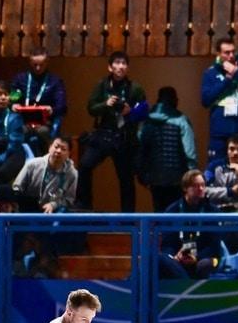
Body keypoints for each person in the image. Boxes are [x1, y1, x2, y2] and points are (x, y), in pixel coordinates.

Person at [79, 51, 148, 211]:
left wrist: (130, 112)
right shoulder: (102, 85)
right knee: (85, 165)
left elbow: (144, 112)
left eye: (124, 63)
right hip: (104, 134)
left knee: (126, 178)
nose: (121, 67)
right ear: (110, 67)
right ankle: (84, 204)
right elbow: (91, 108)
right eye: (117, 63)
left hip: (124, 137)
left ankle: (128, 216)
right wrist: (106, 104)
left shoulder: (135, 88)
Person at [138, 87, 199, 213]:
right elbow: (189, 152)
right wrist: (192, 174)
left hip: (154, 177)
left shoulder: (146, 121)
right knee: (175, 214)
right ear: (175, 100)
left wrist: (142, 174)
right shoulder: (181, 120)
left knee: (158, 212)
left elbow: (141, 149)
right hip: (178, 177)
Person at [201, 38, 238, 162]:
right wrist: (227, 80)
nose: (231, 56)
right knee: (217, 169)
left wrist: (237, 74)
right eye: (226, 53)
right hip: (220, 132)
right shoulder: (210, 73)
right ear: (218, 54)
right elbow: (205, 100)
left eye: (233, 52)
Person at [159, 170, 222, 279]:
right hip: (178, 259)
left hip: (204, 257)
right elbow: (167, 244)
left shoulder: (212, 211)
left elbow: (214, 245)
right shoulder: (172, 211)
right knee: (159, 258)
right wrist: (175, 256)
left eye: (203, 185)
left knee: (204, 265)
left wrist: (196, 257)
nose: (201, 189)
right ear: (185, 188)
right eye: (196, 186)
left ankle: (189, 289)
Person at [10, 51, 68, 154]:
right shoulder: (21, 79)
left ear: (47, 63)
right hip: (23, 121)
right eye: (35, 65)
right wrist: (13, 105)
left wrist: (51, 110)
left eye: (41, 65)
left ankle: (46, 161)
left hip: (44, 123)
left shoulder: (55, 81)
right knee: (17, 132)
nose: (38, 68)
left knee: (43, 132)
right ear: (30, 63)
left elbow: (62, 106)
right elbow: (13, 98)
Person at [13, 136, 78, 214]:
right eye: (56, 147)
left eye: (63, 149)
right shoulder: (32, 164)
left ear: (69, 154)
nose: (58, 151)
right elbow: (16, 188)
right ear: (49, 148)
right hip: (27, 209)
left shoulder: (72, 173)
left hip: (53, 212)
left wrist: (53, 205)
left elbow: (69, 199)